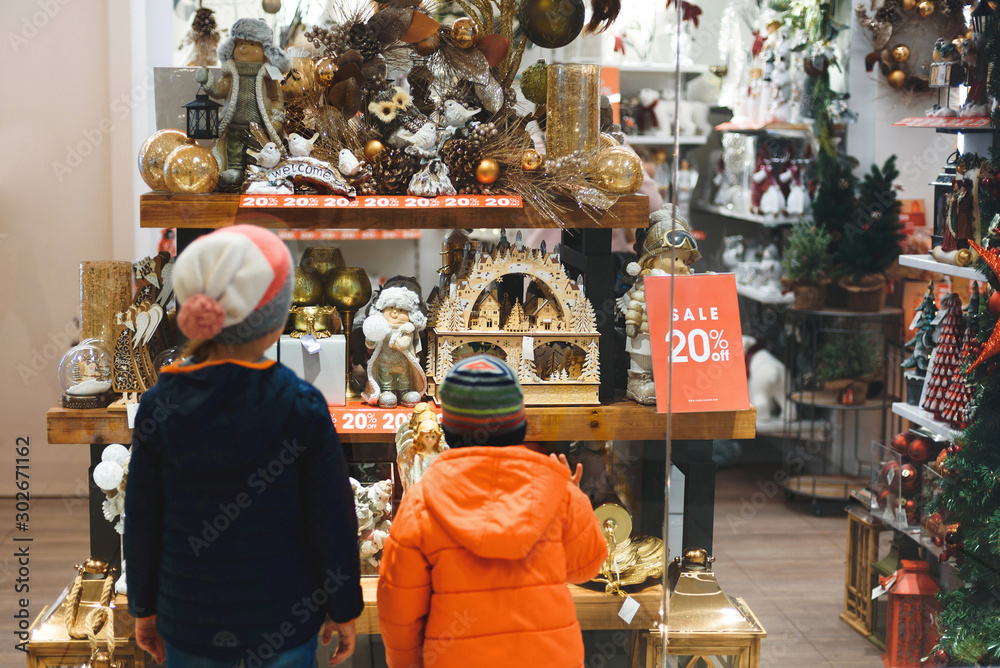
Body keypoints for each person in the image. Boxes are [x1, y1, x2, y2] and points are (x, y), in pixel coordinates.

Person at [124, 225, 363, 667]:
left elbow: (142, 516)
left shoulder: (160, 404)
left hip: (189, 619)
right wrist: (344, 605)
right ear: (276, 318)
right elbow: (331, 517)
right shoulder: (303, 405)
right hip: (285, 621)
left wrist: (143, 605)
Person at [377, 355, 608, 667]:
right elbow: (587, 567)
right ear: (520, 426)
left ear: (449, 432)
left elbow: (398, 608)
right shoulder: (559, 491)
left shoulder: (420, 504)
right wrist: (577, 498)